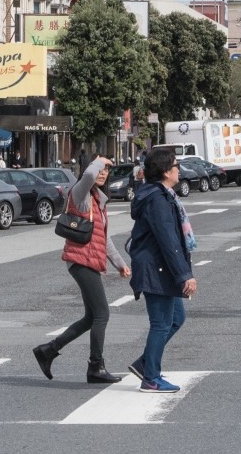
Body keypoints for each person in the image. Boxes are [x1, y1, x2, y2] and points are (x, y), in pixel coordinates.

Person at [31, 157, 132, 383]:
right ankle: (96, 367)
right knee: (102, 314)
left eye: (107, 170)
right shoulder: (81, 193)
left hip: (90, 261)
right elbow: (88, 176)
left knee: (91, 317)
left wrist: (120, 264)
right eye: (100, 169)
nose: (103, 173)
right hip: (80, 261)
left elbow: (104, 240)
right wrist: (97, 162)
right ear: (90, 168)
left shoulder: (97, 200)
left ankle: (48, 350)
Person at [126, 147, 197, 393]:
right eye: (176, 165)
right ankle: (151, 378)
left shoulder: (162, 195)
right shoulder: (157, 199)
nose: (179, 169)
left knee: (177, 318)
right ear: (166, 172)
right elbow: (168, 240)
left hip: (159, 267)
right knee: (161, 323)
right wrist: (185, 275)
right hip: (154, 268)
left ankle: (146, 363)